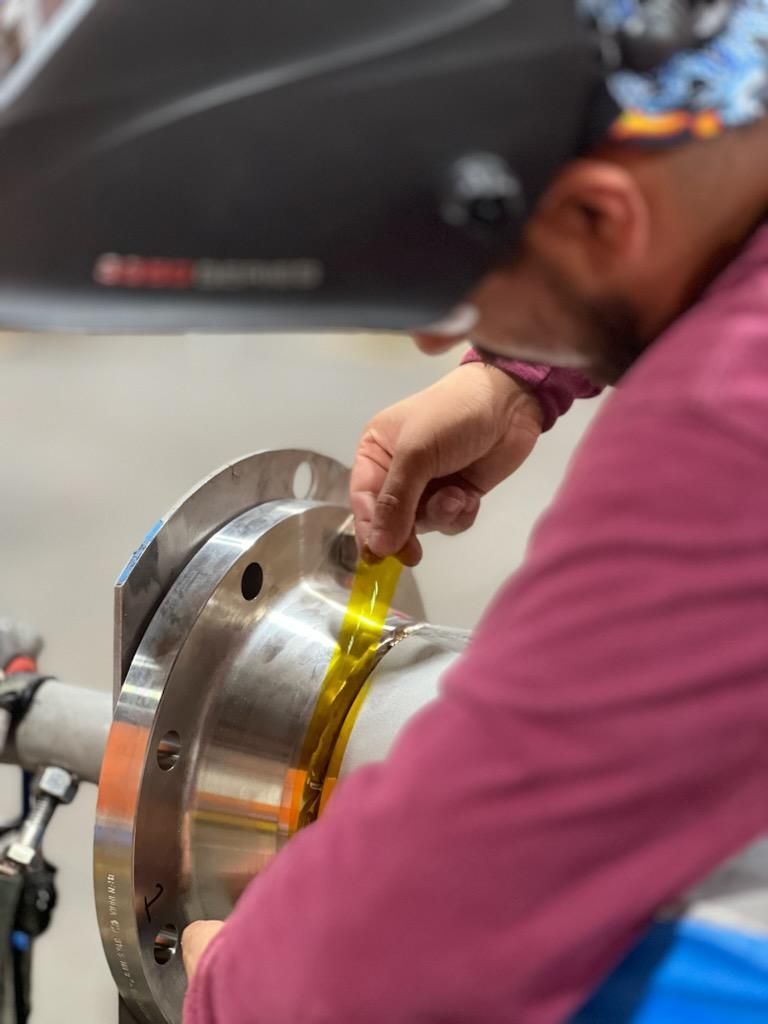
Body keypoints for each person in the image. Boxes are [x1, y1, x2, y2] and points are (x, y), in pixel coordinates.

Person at [183, 2, 768, 1021]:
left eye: (447, 295)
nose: (427, 341)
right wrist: (523, 369)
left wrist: (235, 981)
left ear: (599, 221)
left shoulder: (732, 411)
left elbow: (387, 964)